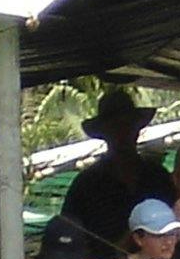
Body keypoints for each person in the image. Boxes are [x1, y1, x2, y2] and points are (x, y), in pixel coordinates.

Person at [60, 88, 173, 250]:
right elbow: (68, 237)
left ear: (137, 130)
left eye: (128, 126)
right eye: (116, 127)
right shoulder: (86, 185)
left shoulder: (158, 177)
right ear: (105, 133)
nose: (123, 134)